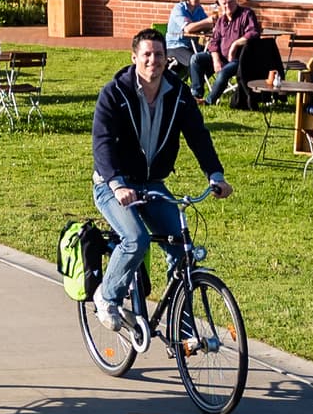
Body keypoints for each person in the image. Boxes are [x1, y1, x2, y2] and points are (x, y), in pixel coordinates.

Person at [89, 26, 226, 328]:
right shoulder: (114, 93)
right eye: (147, 55)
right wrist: (117, 184)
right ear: (134, 57)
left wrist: (215, 175)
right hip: (113, 184)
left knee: (182, 250)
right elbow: (102, 143)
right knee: (136, 239)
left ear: (167, 58)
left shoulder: (178, 93)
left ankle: (184, 334)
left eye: (159, 55)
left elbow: (198, 136)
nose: (154, 60)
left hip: (152, 185)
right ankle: (107, 296)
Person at [164, 0, 216, 94]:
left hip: (193, 45)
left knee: (212, 57)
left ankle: (197, 84)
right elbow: (188, 28)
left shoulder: (198, 9)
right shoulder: (179, 9)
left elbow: (208, 25)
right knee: (195, 61)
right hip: (175, 46)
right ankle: (195, 92)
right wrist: (206, 22)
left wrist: (208, 24)